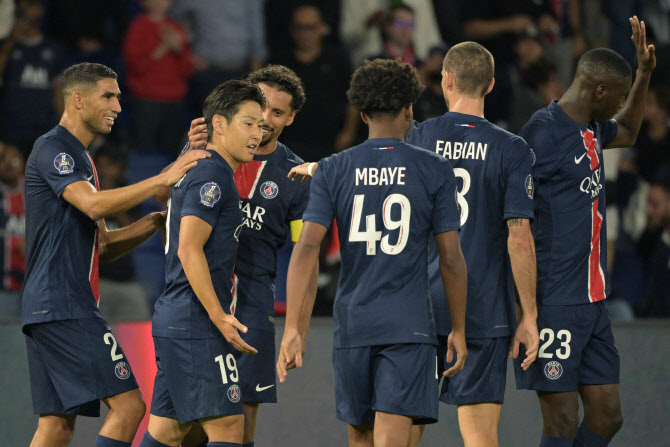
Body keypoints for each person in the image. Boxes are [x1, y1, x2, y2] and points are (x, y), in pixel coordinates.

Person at [277, 58, 469, 447]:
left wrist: (294, 328)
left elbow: (307, 248)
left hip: (353, 324)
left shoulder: (333, 168)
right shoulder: (435, 168)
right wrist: (459, 329)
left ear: (362, 113)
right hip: (409, 326)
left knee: (362, 439)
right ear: (409, 109)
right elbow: (450, 258)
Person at [22, 61, 208, 447]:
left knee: (56, 427)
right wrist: (162, 178)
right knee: (129, 407)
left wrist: (155, 221)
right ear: (77, 99)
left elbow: (102, 246)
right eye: (108, 96)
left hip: (50, 306)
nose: (118, 107)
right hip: (64, 303)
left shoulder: (82, 158)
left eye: (119, 97)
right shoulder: (56, 148)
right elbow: (93, 205)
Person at [513, 16, 655, 447]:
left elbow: (628, 130)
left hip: (593, 301)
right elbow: (514, 222)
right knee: (560, 421)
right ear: (600, 91)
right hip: (554, 301)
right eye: (619, 96)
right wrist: (526, 310)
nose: (621, 104)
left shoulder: (592, 127)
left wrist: (644, 73)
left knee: (608, 415)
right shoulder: (541, 135)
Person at [159, 65, 310, 447]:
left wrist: (296, 326)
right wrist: (189, 151)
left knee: (239, 416)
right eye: (258, 110)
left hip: (252, 304)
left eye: (277, 113)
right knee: (193, 422)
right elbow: (163, 196)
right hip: (202, 298)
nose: (265, 121)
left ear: (292, 118)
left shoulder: (296, 175)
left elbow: (304, 253)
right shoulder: (207, 153)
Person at [404, 41, 539, 447]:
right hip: (483, 307)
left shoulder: (418, 136)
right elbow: (519, 236)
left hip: (420, 305)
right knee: (480, 436)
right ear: (491, 84)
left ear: (446, 79)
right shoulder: (512, 149)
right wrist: (529, 314)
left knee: (402, 433)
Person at [137, 80, 266, 447]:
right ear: (219, 124)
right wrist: (218, 315)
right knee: (229, 426)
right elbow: (189, 248)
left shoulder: (201, 166)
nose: (257, 134)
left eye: (260, 125)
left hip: (180, 318)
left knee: (167, 431)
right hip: (195, 322)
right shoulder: (211, 174)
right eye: (248, 123)